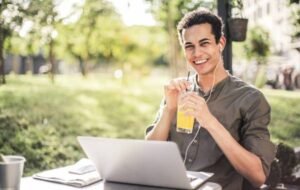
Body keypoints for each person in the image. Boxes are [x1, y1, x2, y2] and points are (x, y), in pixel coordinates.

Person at [145, 8, 276, 190]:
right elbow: (149, 154)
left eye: (204, 43)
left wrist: (209, 121)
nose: (196, 53)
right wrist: (169, 109)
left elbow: (257, 176)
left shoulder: (250, 99)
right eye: (189, 46)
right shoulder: (178, 90)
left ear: (220, 43)